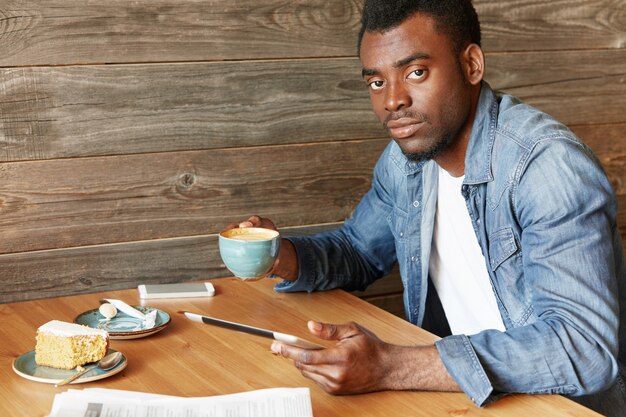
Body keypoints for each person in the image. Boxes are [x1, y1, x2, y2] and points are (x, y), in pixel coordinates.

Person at [225, 0, 626, 415]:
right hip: (461, 396)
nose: (393, 101)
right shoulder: (406, 161)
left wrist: (390, 366)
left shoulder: (545, 166)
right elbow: (359, 250)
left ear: (471, 65)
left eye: (416, 72)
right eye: (376, 82)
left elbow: (582, 347)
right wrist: (281, 256)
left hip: (563, 407)